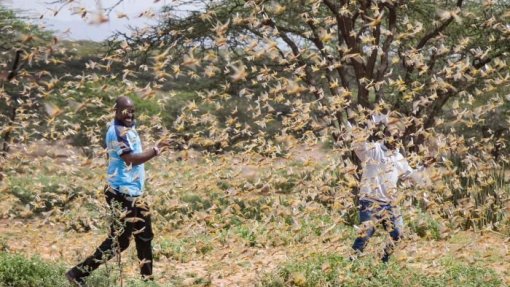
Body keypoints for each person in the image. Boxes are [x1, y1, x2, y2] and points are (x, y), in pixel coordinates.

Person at [66, 96, 172, 286]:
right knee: (120, 241)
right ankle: (77, 273)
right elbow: (130, 158)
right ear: (116, 111)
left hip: (134, 194)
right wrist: (155, 150)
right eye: (126, 110)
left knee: (145, 235)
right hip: (121, 193)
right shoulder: (116, 132)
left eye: (132, 110)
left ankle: (147, 281)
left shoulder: (129, 128)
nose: (130, 114)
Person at [349, 113, 428, 263]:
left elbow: (410, 175)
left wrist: (425, 166)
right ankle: (351, 265)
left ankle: (382, 261)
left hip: (390, 204)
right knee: (365, 235)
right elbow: (358, 142)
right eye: (391, 136)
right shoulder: (374, 150)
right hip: (369, 203)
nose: (395, 140)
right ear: (384, 136)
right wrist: (372, 120)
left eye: (397, 137)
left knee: (397, 234)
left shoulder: (398, 157)